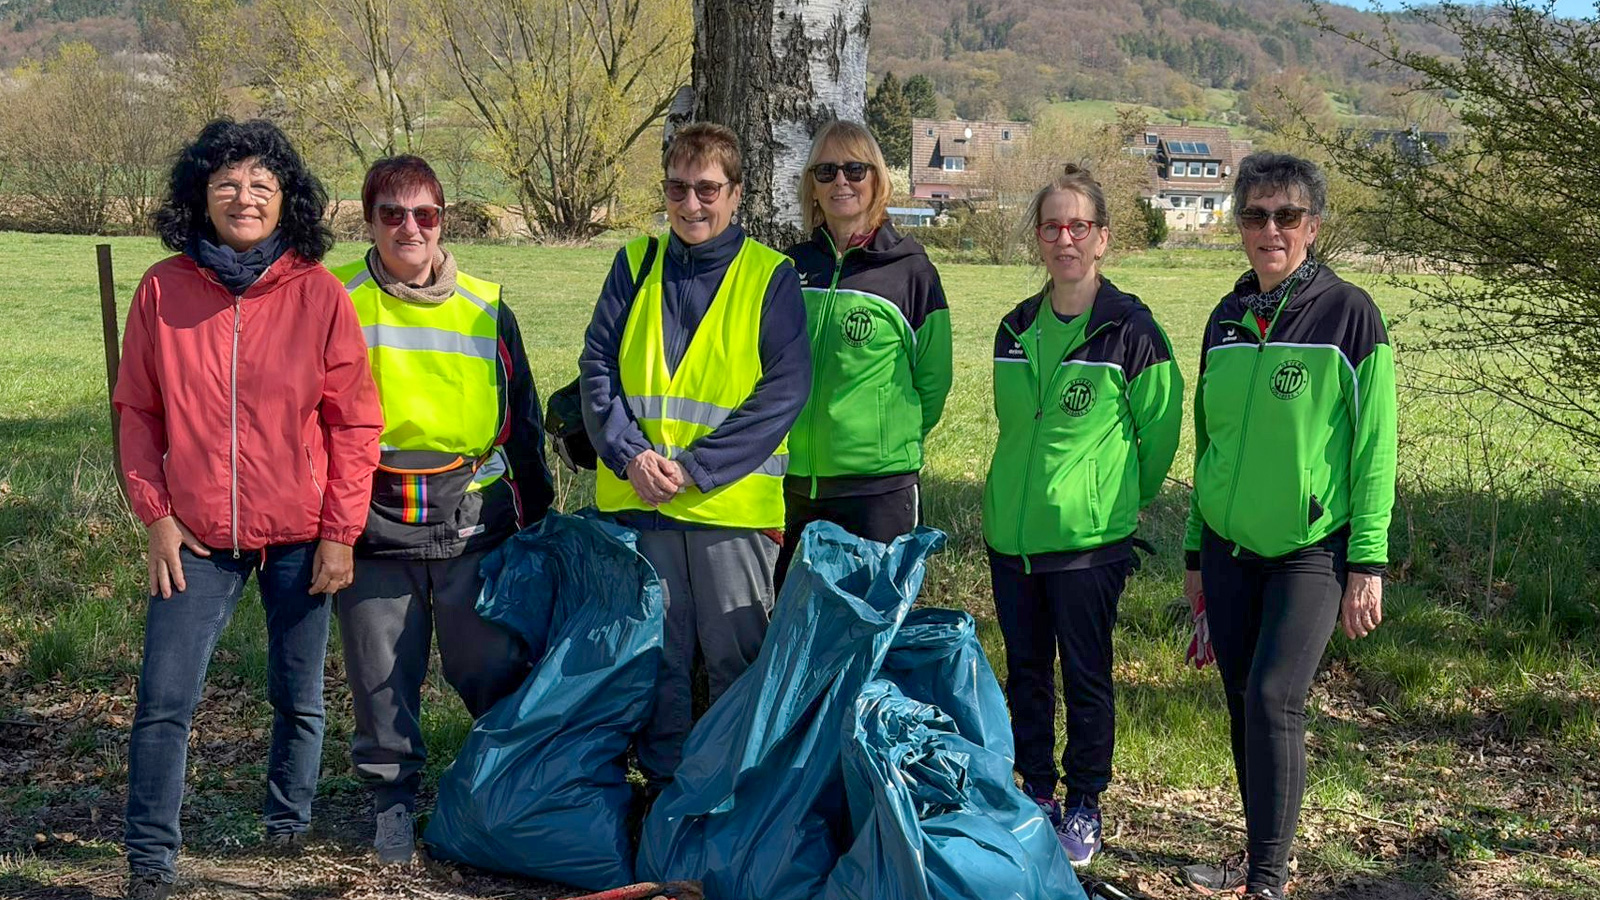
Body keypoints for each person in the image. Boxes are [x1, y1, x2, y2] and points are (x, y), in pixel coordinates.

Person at [115, 119, 383, 900]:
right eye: (227, 183)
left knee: (298, 696)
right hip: (195, 536)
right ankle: (150, 861)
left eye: (262, 185)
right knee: (164, 700)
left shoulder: (318, 293)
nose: (244, 197)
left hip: (301, 533)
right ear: (199, 196)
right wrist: (156, 516)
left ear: (285, 199)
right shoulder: (162, 289)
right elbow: (137, 413)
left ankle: (286, 830)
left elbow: (355, 423)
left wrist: (341, 533)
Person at [1179, 152, 1396, 899]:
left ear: (1313, 226)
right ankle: (1255, 857)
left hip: (1311, 551)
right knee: (1244, 702)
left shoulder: (1350, 315)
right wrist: (1194, 549)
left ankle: (1267, 882)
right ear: (1239, 225)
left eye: (1287, 215)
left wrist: (1367, 563)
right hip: (1227, 548)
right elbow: (1209, 441)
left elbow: (1375, 449)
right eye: (1255, 215)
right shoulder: (1225, 319)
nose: (1270, 229)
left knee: (1275, 698)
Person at [328, 155, 555, 865]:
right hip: (371, 523)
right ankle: (392, 805)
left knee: (492, 665)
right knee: (380, 680)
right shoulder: (336, 302)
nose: (410, 228)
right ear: (369, 221)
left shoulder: (488, 307)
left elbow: (522, 421)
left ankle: (503, 789)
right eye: (392, 214)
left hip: (473, 524)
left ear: (442, 220)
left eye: (424, 213)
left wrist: (538, 515)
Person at [579, 122, 810, 787]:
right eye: (678, 188)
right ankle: (665, 800)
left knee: (737, 662)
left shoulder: (769, 276)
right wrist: (629, 455)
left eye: (707, 189)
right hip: (643, 502)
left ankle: (733, 800)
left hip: (729, 509)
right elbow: (597, 367)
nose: (691, 204)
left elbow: (784, 390)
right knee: (656, 663)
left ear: (735, 193)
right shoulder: (634, 264)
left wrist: (696, 469)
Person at [982, 165, 1184, 868]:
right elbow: (1013, 427)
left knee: (1087, 677)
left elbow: (1158, 439)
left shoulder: (1134, 332)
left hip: (1088, 544)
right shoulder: (1013, 327)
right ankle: (1037, 791)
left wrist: (1108, 503)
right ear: (1038, 238)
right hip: (1012, 539)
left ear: (1102, 239)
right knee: (1026, 673)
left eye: (1078, 226)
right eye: (1051, 227)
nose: (1064, 239)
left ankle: (1086, 802)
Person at [777, 120, 952, 584]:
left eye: (855, 170)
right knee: (794, 619)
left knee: (872, 620)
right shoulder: (791, 267)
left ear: (876, 179)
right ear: (812, 187)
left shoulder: (911, 272)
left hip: (877, 491)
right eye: (827, 171)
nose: (841, 181)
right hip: (793, 484)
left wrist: (881, 442)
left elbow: (933, 382)